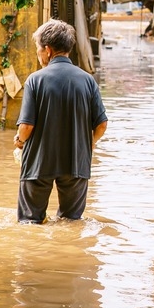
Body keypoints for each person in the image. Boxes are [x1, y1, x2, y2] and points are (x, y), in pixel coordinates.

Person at [13, 19, 108, 223]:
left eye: (38, 49)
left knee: (30, 223)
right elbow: (101, 125)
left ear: (47, 50)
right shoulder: (88, 80)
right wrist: (89, 143)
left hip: (39, 163)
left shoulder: (35, 80)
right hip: (76, 162)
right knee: (71, 222)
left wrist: (20, 141)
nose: (38, 54)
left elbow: (26, 126)